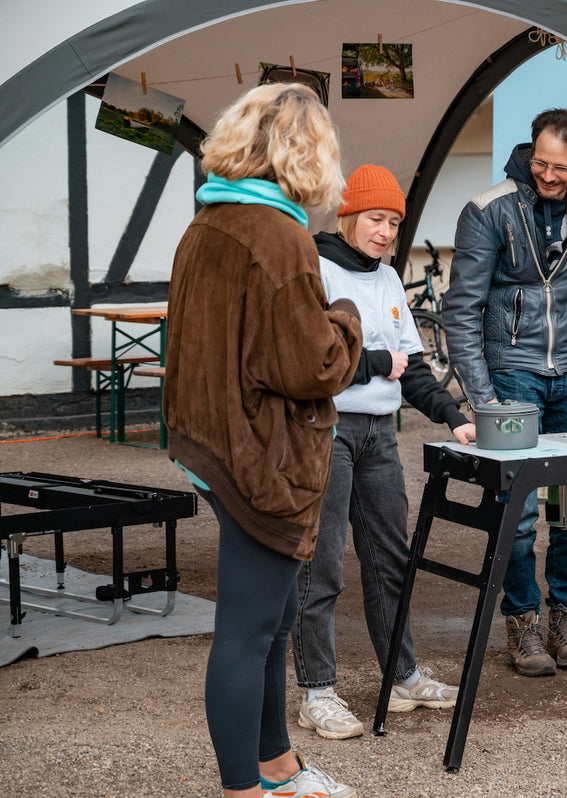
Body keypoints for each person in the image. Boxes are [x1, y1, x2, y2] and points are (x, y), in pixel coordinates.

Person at [164, 83, 361, 798]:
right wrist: (345, 316)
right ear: (305, 153)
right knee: (249, 632)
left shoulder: (207, 220)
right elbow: (312, 365)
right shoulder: (279, 234)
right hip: (261, 458)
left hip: (216, 445)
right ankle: (243, 790)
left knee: (271, 620)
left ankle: (277, 767)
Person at [291, 165, 475, 740]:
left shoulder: (391, 279)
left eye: (394, 222)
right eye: (375, 218)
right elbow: (307, 358)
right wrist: (372, 363)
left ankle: (403, 677)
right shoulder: (313, 267)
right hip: (326, 428)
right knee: (321, 566)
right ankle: (317, 692)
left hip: (380, 435)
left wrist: (453, 417)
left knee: (391, 559)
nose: (385, 231)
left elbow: (412, 366)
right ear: (347, 215)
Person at [442, 108, 567, 678]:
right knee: (515, 513)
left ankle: (566, 618)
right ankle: (522, 625)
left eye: (560, 167)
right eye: (539, 162)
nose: (546, 174)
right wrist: (482, 397)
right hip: (509, 378)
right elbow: (461, 313)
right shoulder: (487, 208)